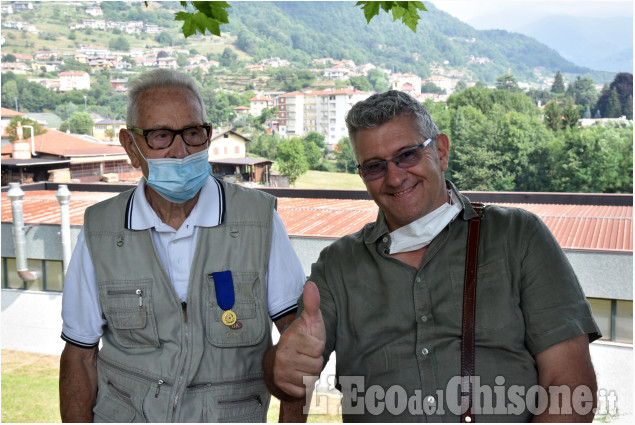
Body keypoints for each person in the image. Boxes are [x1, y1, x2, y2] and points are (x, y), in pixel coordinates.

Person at [265, 90, 601, 422]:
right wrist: (281, 365)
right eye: (375, 167)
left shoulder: (518, 236)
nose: (395, 177)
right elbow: (288, 374)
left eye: (408, 155)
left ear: (441, 151)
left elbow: (569, 385)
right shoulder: (339, 265)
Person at [59, 69, 306, 422]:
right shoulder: (101, 230)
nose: (180, 151)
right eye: (161, 136)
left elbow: (297, 345)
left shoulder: (259, 221)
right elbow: (80, 356)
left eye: (193, 133)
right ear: (131, 146)